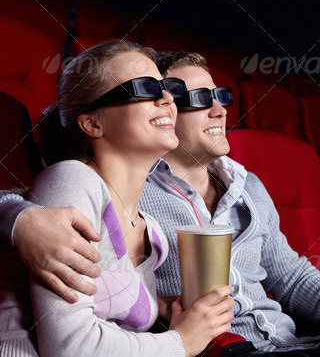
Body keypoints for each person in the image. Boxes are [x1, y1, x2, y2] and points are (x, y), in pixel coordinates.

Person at [0, 50, 320, 357]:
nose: (218, 107)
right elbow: (77, 336)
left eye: (221, 93)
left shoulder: (160, 222)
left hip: (288, 341)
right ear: (93, 123)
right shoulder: (102, 183)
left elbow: (293, 277)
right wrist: (16, 216)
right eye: (180, 94)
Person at [0, 41, 235, 357]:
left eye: (167, 89)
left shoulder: (149, 231)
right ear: (93, 123)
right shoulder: (73, 179)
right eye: (144, 89)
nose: (167, 99)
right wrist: (183, 341)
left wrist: (166, 309)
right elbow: (70, 348)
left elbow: (113, 313)